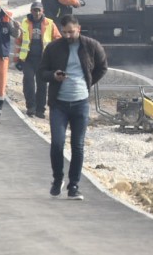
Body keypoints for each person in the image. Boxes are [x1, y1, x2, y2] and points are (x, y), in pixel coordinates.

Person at [38, 15, 108, 200]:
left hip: (80, 104)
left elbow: (102, 67)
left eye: (72, 31)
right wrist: (54, 75)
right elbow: (41, 72)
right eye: (65, 32)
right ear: (61, 31)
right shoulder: (53, 48)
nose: (69, 35)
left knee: (77, 146)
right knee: (57, 144)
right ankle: (57, 179)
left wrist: (88, 82)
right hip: (59, 104)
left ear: (79, 28)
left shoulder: (91, 46)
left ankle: (74, 185)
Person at [14, 0, 60, 118]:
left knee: (42, 85)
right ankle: (31, 107)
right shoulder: (24, 23)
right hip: (28, 59)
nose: (37, 12)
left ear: (42, 11)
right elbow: (18, 41)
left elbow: (58, 39)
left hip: (43, 60)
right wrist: (17, 60)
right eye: (35, 10)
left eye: (39, 10)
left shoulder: (49, 23)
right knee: (28, 82)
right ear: (31, 11)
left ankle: (40, 109)